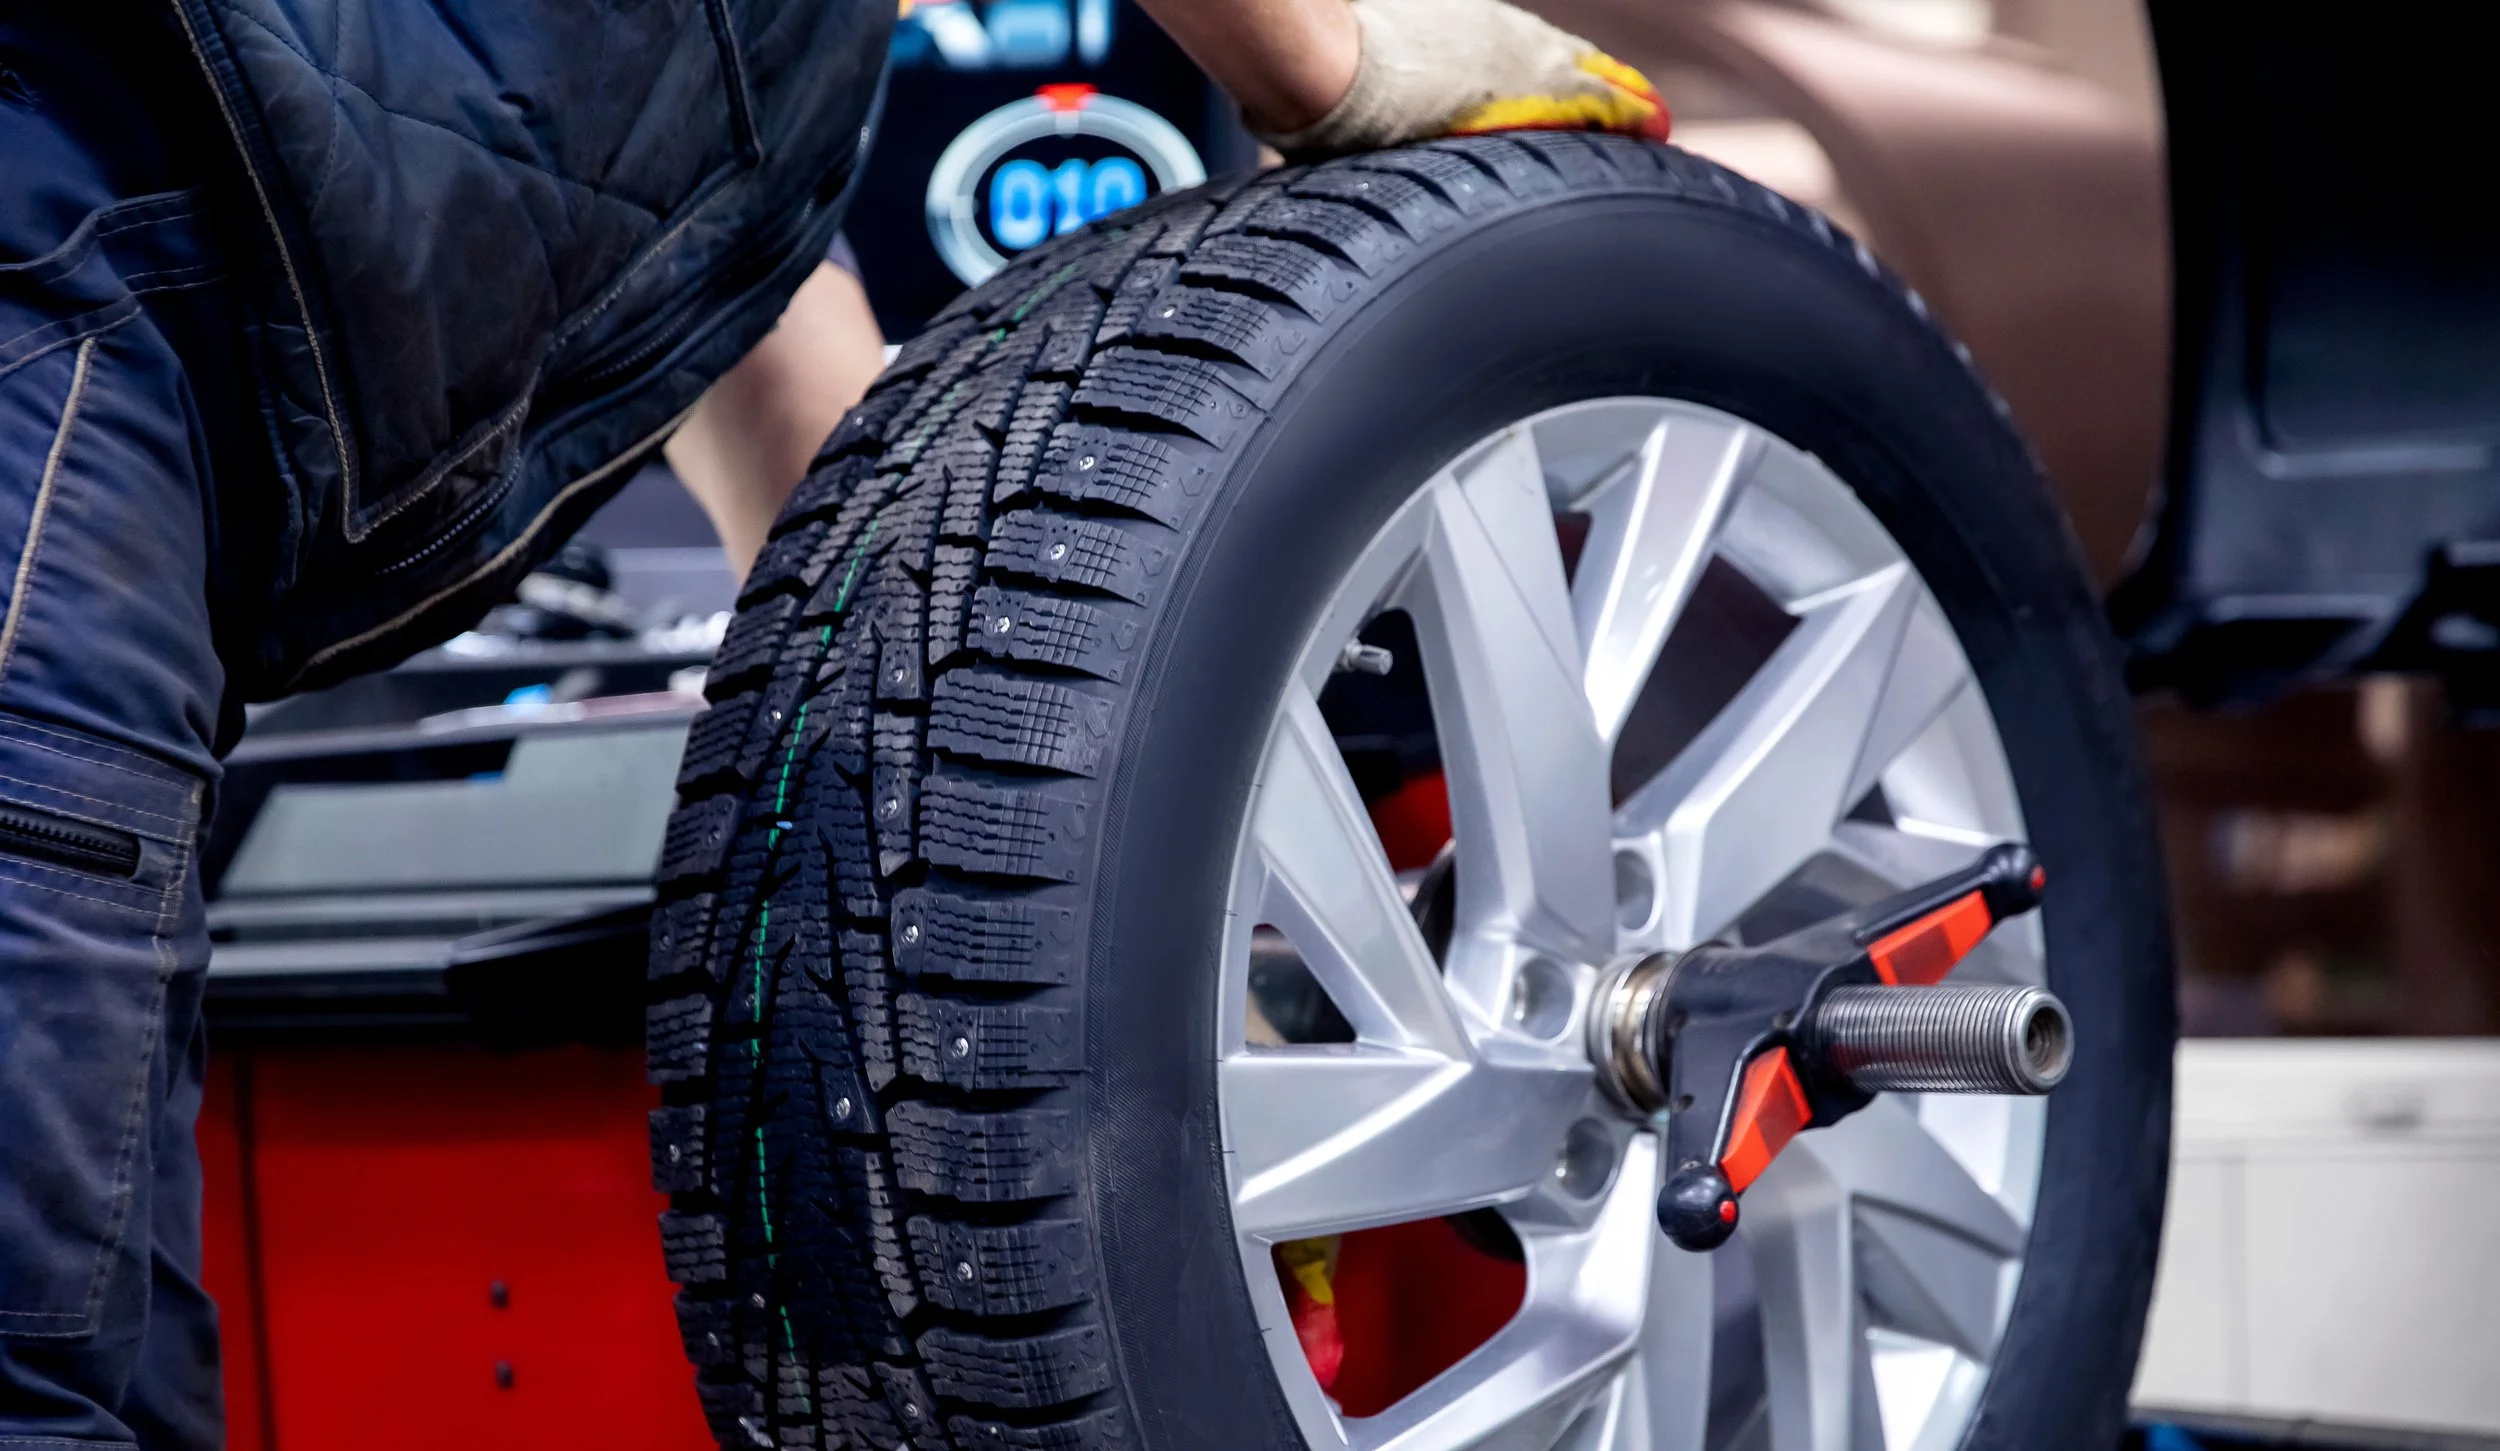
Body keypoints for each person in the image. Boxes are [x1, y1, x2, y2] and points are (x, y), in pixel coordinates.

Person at [0, 0, 1669, 1444]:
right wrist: (1329, 59)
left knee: (100, 1359)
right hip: (57, 282)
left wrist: (1143, 974)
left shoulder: (671, 91)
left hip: (126, 370)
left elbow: (802, 429)